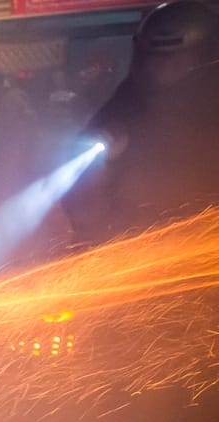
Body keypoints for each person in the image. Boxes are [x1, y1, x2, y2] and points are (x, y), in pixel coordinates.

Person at [62, 0, 219, 245]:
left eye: (174, 61)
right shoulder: (124, 108)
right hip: (143, 254)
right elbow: (82, 203)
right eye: (154, 60)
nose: (160, 71)